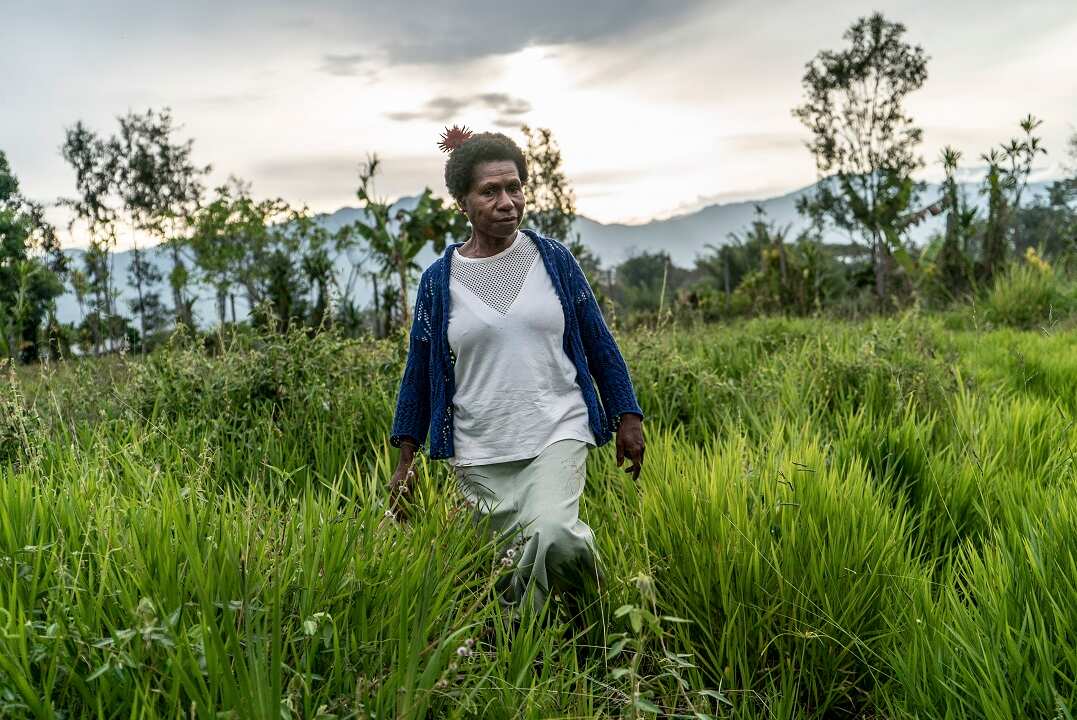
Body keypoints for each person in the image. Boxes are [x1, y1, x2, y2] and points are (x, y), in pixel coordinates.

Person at [387, 126, 645, 620]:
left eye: (515, 188)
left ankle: (585, 629)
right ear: (462, 202)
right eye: (491, 191)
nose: (508, 201)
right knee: (508, 571)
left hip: (556, 429)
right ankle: (549, 645)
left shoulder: (555, 261)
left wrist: (626, 415)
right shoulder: (439, 283)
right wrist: (406, 460)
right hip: (480, 448)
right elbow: (418, 375)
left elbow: (598, 341)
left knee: (554, 535)